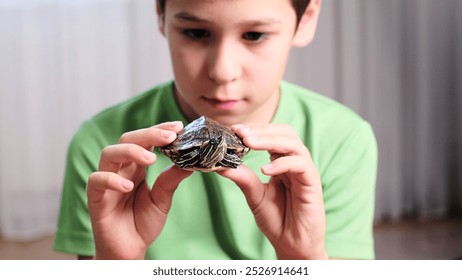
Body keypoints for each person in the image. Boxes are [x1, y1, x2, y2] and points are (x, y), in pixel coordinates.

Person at [54, 0, 377, 260]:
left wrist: (303, 259)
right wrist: (116, 262)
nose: (223, 72)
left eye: (254, 35)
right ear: (161, 16)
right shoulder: (107, 146)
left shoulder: (343, 138)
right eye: (195, 32)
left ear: (304, 20)